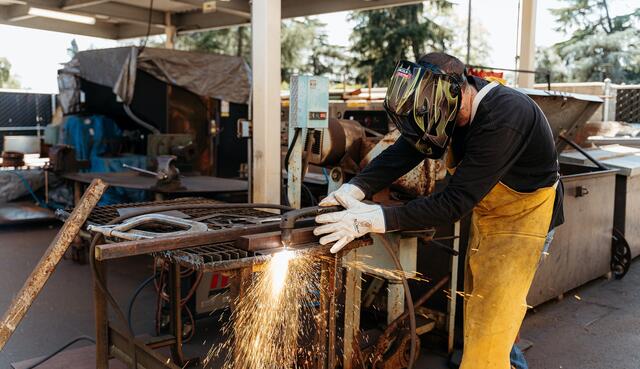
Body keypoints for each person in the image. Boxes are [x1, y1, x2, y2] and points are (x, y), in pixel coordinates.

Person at [313, 52, 563, 369]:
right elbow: (404, 151)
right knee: (485, 307)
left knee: (492, 321)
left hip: (526, 220)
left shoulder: (503, 118)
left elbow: (454, 203)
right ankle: (506, 358)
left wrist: (375, 218)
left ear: (459, 91)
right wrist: (356, 187)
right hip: (492, 215)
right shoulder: (446, 108)